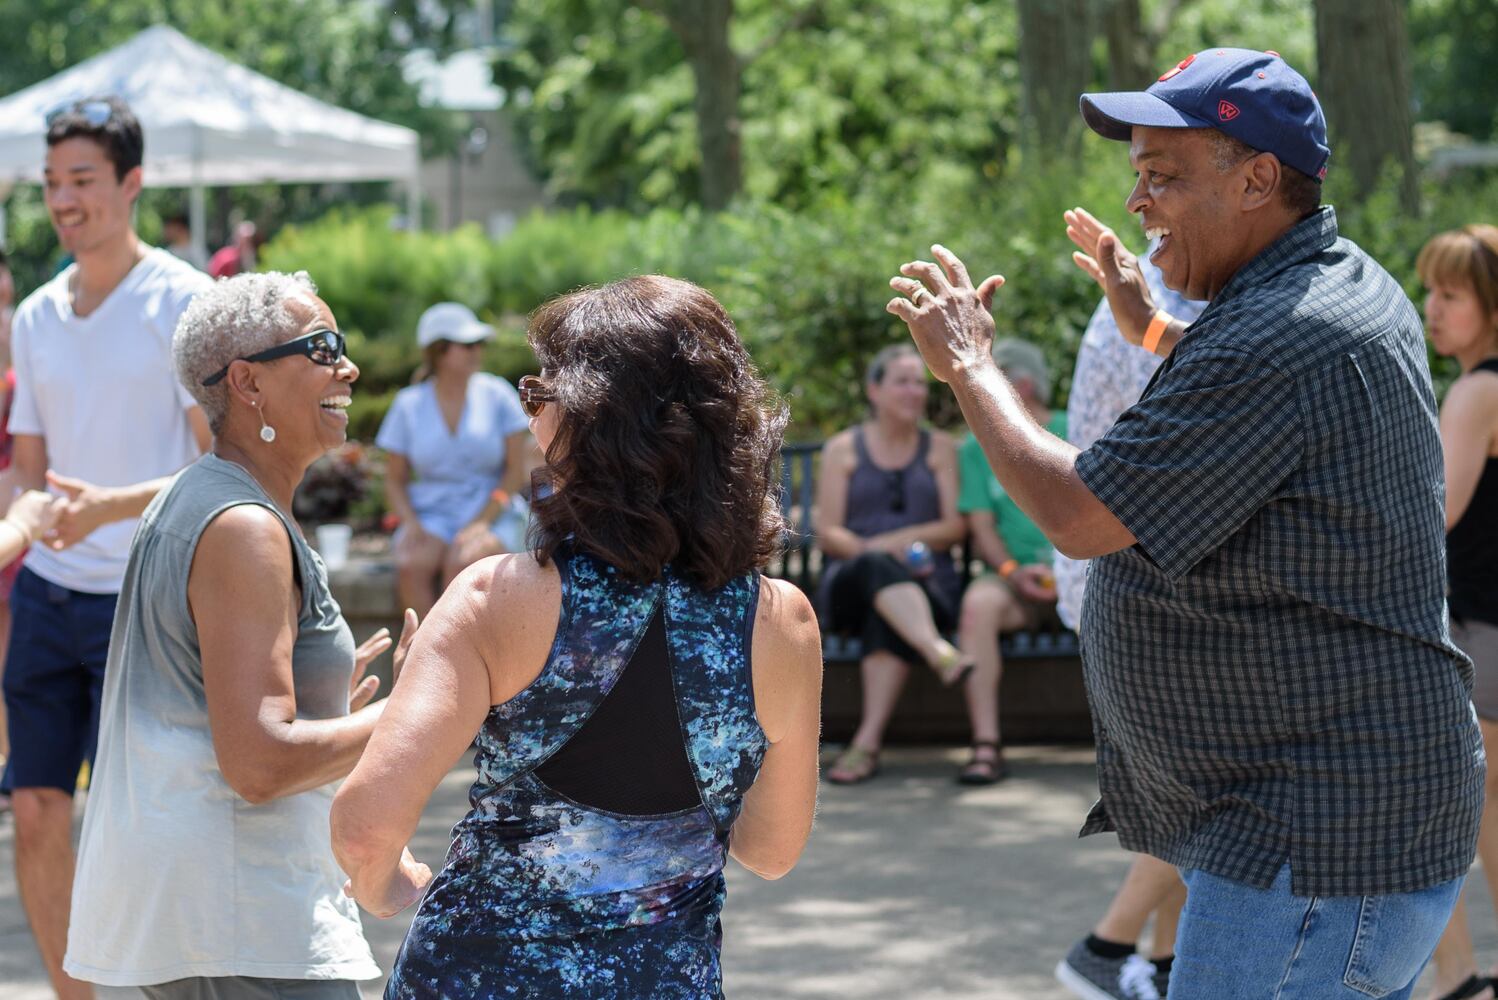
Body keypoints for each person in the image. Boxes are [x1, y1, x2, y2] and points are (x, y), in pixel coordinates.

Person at [887, 49, 1480, 999]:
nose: (1138, 205)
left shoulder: (1286, 332)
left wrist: (969, 368)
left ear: (1257, 180)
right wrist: (1153, 329)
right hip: (1308, 822)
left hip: (1316, 836)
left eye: (1162, 176)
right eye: (1137, 176)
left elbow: (1079, 515)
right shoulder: (1329, 282)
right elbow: (1267, 395)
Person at [330, 275, 822, 998]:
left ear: (589, 421)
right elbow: (771, 851)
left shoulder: (494, 599)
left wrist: (390, 887)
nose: (530, 418)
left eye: (538, 395)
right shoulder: (783, 624)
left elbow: (366, 828)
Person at [64, 271, 416, 998]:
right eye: (322, 348)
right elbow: (258, 765)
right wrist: (421, 713)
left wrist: (331, 714)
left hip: (196, 916)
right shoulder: (243, 529)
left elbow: (209, 704)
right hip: (240, 925)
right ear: (248, 384)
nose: (347, 367)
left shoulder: (199, 500)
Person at [3, 95, 213, 999]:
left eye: (82, 179)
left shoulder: (188, 304)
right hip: (48, 599)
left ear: (131, 183)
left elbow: (225, 474)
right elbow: (31, 478)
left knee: (150, 831)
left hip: (148, 606)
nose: (63, 199)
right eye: (52, 183)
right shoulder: (37, 318)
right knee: (38, 810)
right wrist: (19, 528)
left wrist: (112, 508)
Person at [1050, 239, 1203, 1000]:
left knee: (1191, 786)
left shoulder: (1167, 301)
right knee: (1207, 792)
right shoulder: (1180, 307)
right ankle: (1104, 949)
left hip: (1133, 580)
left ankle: (1167, 965)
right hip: (1143, 586)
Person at [815, 343, 970, 785]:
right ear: (875, 390)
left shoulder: (940, 448)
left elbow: (954, 526)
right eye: (902, 381)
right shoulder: (843, 450)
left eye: (920, 383)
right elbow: (830, 533)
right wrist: (880, 550)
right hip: (851, 585)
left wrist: (900, 541)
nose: (914, 391)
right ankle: (938, 650)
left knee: (886, 618)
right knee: (876, 568)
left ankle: (865, 744)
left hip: (926, 589)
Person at [1417, 225, 1498, 1000]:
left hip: (1481, 627)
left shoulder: (1478, 390)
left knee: (1433, 800)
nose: (1431, 310)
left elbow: (1432, 513)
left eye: (1451, 295)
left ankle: (1457, 976)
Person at [952, 338, 1065, 784]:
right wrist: (1013, 573)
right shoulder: (973, 448)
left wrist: (1064, 571)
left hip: (1079, 573)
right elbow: (981, 529)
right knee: (978, 605)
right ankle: (986, 745)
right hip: (1012, 581)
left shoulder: (1075, 426)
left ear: (1021, 384)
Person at [376, 302, 532, 617]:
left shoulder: (498, 393)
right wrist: (410, 522)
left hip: (495, 511)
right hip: (431, 515)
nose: (477, 350)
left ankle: (458, 660)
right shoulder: (408, 404)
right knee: (411, 564)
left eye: (479, 343)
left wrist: (481, 522)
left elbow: (515, 472)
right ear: (439, 352)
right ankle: (417, 654)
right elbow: (394, 480)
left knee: (462, 562)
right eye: (468, 344)